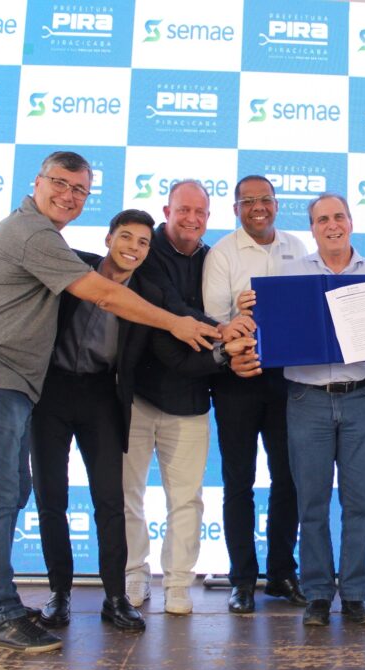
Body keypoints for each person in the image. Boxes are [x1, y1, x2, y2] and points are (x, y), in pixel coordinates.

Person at [0, 151, 220, 653]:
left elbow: (173, 326)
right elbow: (104, 295)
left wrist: (223, 345)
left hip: (45, 391)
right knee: (5, 499)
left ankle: (39, 604)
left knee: (21, 494)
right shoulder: (46, 241)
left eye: (79, 190)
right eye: (60, 184)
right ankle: (7, 610)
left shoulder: (55, 245)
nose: (69, 195)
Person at [242, 193, 365, 626]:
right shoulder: (290, 276)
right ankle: (319, 594)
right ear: (313, 228)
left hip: (361, 395)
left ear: (351, 222)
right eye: (322, 219)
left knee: (362, 502)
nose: (332, 225)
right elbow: (271, 336)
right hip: (307, 399)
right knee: (312, 502)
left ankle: (356, 594)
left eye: (339, 217)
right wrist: (252, 310)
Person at [122, 180, 255, 616]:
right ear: (167, 210)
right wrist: (222, 333)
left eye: (200, 212)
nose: (192, 219)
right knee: (129, 495)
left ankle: (178, 584)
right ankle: (133, 577)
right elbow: (170, 304)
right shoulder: (145, 250)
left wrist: (240, 315)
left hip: (194, 392)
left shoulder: (213, 257)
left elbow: (223, 311)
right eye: (184, 210)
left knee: (187, 498)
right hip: (139, 394)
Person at [27, 209, 157, 634]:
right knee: (51, 499)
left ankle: (116, 598)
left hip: (103, 396)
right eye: (126, 237)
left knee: (109, 502)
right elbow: (12, 259)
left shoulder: (147, 294)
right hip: (52, 392)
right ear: (107, 239)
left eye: (142, 242)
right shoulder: (73, 265)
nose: (133, 247)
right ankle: (59, 594)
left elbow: (179, 322)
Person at [201, 175, 308, 613]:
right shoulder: (222, 253)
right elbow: (210, 320)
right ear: (236, 208)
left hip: (285, 379)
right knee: (238, 482)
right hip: (237, 381)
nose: (258, 207)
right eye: (249, 201)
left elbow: (306, 308)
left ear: (277, 204)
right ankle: (242, 578)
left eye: (265, 199)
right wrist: (237, 313)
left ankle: (282, 573)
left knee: (289, 480)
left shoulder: (297, 247)